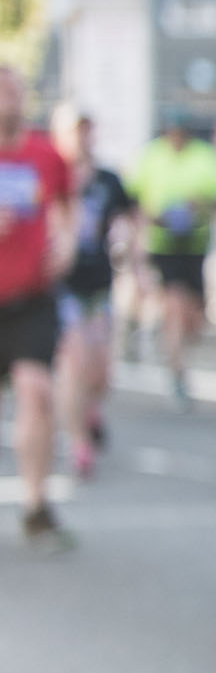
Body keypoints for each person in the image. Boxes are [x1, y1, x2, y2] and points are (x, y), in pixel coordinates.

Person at [0, 67, 74, 551]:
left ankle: (36, 504)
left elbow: (69, 209)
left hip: (31, 296)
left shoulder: (47, 154)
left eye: (15, 89)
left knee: (38, 389)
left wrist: (65, 244)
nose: (10, 98)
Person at [50, 105, 134, 481]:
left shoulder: (107, 178)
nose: (81, 138)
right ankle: (78, 442)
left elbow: (128, 219)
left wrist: (128, 245)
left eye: (87, 130)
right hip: (61, 285)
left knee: (101, 372)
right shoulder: (50, 175)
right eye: (74, 131)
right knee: (75, 361)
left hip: (100, 283)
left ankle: (90, 410)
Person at [128, 110, 216, 411]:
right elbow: (135, 199)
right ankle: (177, 369)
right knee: (174, 305)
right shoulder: (152, 156)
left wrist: (199, 205)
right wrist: (150, 220)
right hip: (164, 243)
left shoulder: (204, 157)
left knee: (195, 316)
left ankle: (178, 344)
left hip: (195, 243)